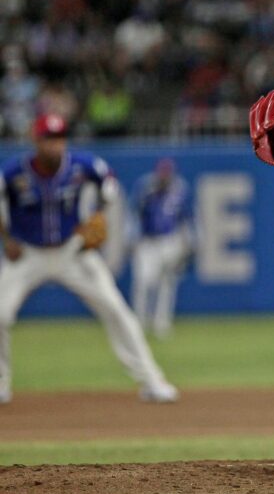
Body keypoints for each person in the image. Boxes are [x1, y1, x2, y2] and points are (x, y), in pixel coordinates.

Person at [0, 113, 179, 405]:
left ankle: (152, 380)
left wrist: (96, 213)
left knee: (117, 310)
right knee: (0, 313)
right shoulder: (13, 172)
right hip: (28, 253)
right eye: (48, 139)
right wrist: (7, 239)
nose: (54, 145)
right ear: (36, 140)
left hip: (72, 251)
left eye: (59, 138)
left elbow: (109, 184)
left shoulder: (82, 166)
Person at [130, 157, 194, 338]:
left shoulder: (180, 189)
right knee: (143, 282)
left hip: (170, 240)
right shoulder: (146, 188)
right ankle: (139, 322)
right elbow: (134, 214)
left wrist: (189, 241)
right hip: (147, 242)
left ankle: (161, 322)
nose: (165, 178)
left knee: (167, 285)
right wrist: (132, 240)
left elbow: (187, 217)